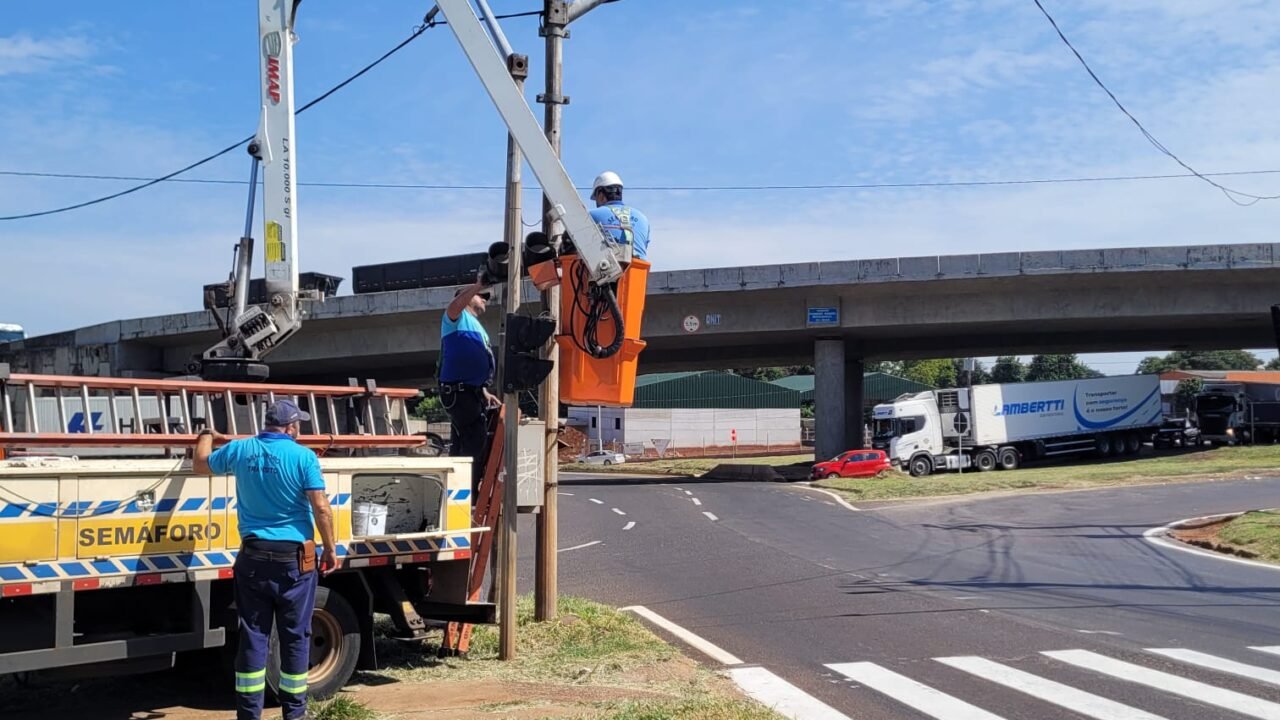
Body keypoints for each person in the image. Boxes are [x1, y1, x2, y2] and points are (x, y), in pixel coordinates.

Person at [193, 399, 337, 720]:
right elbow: (321, 507)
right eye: (298, 424)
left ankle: (248, 715)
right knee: (295, 636)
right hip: (295, 562)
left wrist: (206, 433)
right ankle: (294, 715)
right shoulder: (303, 457)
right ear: (290, 427)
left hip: (253, 559)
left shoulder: (241, 450)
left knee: (253, 636)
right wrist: (330, 548)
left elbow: (200, 464)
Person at [439, 275, 500, 491]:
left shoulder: (474, 324)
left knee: (465, 442)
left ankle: (460, 491)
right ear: (466, 298)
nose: (486, 299)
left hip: (469, 392)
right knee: (474, 441)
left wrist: (482, 390)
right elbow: (454, 305)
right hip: (459, 392)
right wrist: (477, 285)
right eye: (482, 296)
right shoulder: (455, 316)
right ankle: (467, 493)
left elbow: (469, 361)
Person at [588, 171, 651, 260]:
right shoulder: (643, 218)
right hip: (638, 272)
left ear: (601, 196)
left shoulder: (591, 216)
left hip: (605, 272)